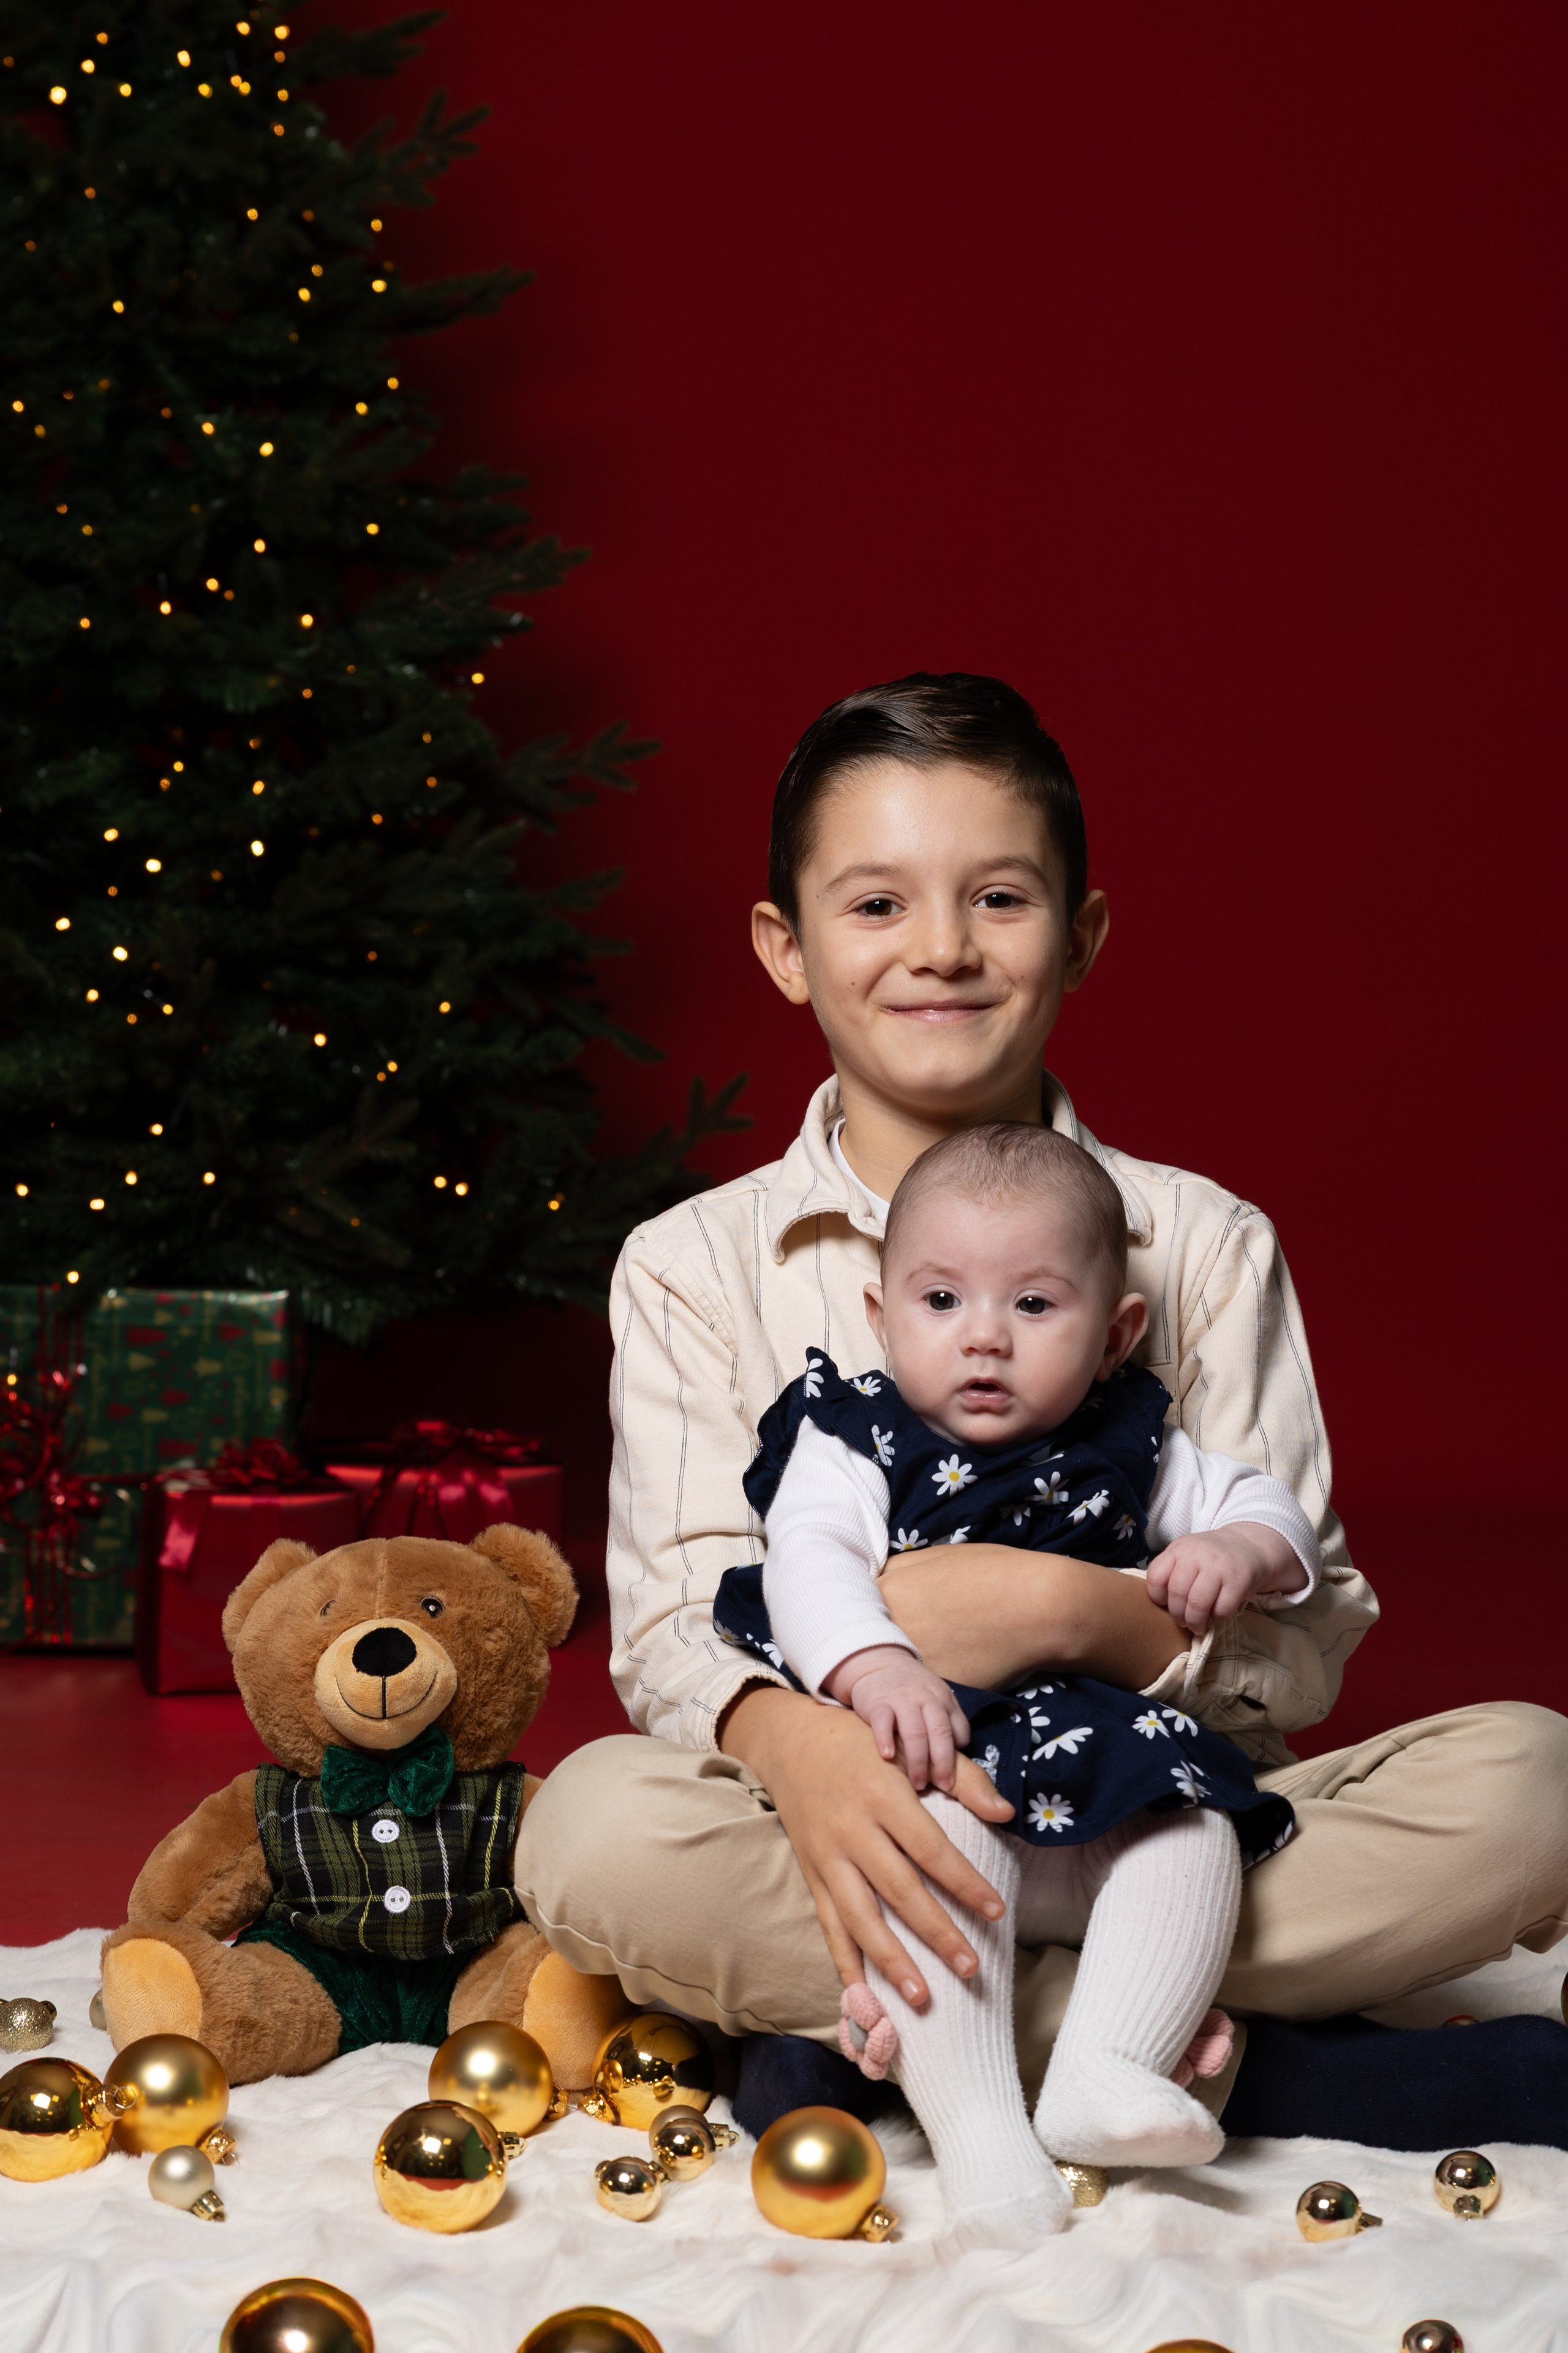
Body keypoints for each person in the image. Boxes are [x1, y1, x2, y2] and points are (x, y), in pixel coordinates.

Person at [518, 672, 1568, 2155]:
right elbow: (677, 1632)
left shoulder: (1198, 1243)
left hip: (1162, 1812)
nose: (941, 947)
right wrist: (810, 1757)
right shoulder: (691, 1263)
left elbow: (1302, 1643)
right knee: (589, 1833)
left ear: (1077, 935)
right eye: (874, 904)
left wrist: (1063, 1610)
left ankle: (903, 2034)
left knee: (1535, 1782)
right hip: (872, 1813)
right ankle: (1224, 2057)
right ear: (785, 949)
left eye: (998, 898)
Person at [713, 1118, 1317, 2245]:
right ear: (882, 1317)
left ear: (1115, 1334)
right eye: (942, 1300)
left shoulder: (1130, 1439)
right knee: (929, 1829)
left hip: (1100, 1771)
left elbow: (1276, 1515)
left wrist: (1238, 1548)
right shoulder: (855, 1436)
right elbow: (808, 1558)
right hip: (941, 1750)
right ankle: (980, 2128)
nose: (984, 1336)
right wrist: (874, 1660)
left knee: (1194, 1830)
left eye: (1034, 1305)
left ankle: (1105, 2066)